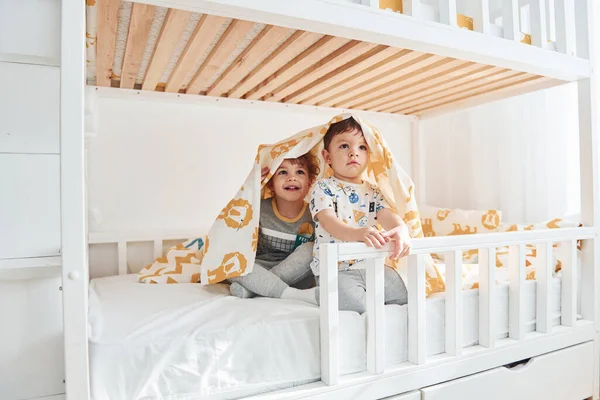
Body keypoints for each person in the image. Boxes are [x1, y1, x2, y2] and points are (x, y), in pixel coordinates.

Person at [310, 117, 411, 313]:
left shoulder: (374, 191)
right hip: (337, 270)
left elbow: (386, 215)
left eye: (362, 147)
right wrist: (357, 233)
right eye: (344, 146)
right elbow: (328, 221)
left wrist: (401, 229)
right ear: (327, 157)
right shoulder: (323, 187)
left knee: (407, 295)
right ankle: (319, 293)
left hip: (372, 266)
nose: (353, 152)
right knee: (358, 307)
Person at [228, 154, 320, 304]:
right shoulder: (257, 208)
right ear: (270, 183)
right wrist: (250, 189)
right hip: (259, 267)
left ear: (309, 183)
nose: (292, 178)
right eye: (283, 172)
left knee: (312, 249)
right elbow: (232, 229)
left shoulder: (317, 213)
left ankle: (253, 289)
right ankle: (287, 293)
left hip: (296, 275)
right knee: (230, 259)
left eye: (300, 172)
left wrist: (259, 282)